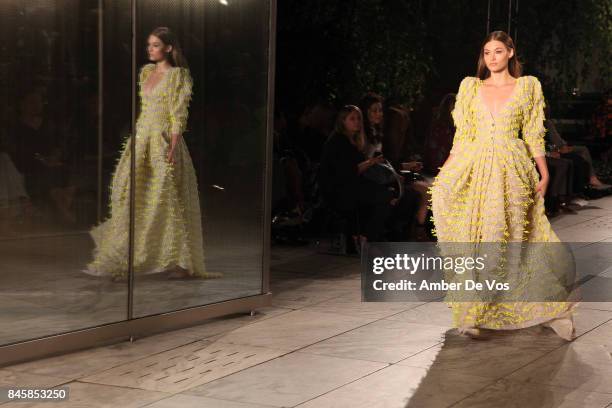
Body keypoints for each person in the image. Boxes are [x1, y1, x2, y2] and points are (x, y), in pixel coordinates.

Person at [430, 31, 578, 340]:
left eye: (498, 51)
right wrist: (445, 171)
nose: (492, 57)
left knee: (512, 240)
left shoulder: (527, 86)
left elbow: (533, 133)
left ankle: (550, 308)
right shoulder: (470, 87)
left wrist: (544, 171)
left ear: (510, 52)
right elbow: (463, 136)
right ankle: (472, 309)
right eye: (487, 52)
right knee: (476, 240)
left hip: (512, 169)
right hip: (475, 166)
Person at [85, 27, 218, 281]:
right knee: (130, 194)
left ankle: (179, 261)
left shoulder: (178, 75)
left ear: (169, 48)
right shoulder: (145, 72)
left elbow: (178, 111)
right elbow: (145, 108)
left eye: (156, 45)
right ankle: (126, 256)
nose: (150, 49)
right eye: (149, 45)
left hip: (163, 139)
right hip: (142, 137)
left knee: (164, 197)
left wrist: (173, 143)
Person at [318, 105, 393, 247]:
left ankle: (368, 235)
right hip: (338, 191)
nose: (357, 122)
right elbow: (348, 171)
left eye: (359, 118)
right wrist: (371, 162)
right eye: (352, 119)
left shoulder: (352, 141)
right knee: (384, 195)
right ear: (343, 121)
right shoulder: (339, 141)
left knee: (388, 194)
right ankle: (366, 237)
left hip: (350, 186)